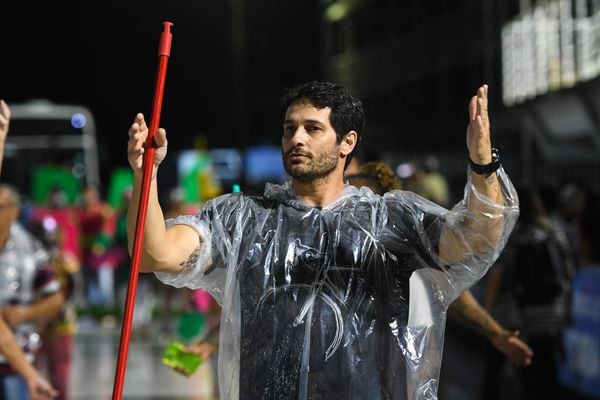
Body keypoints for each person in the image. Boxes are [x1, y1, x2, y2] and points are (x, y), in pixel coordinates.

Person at [126, 82, 519, 399]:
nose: (296, 138)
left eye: (312, 128)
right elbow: (152, 255)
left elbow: (476, 241)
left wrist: (483, 164)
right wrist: (147, 177)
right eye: (289, 128)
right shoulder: (242, 218)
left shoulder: (390, 221)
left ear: (347, 142)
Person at [346, 161, 533, 367]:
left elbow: (452, 291)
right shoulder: (336, 238)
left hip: (388, 367)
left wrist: (495, 332)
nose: (351, 206)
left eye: (360, 198)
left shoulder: (400, 240)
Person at [483, 185, 573, 400]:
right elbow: (568, 271)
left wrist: (486, 314)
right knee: (548, 375)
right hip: (551, 314)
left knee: (522, 376)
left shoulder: (512, 236)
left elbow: (498, 276)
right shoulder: (554, 232)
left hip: (519, 317)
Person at [0, 184, 64, 400]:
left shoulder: (29, 247)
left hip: (16, 358)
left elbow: (55, 296)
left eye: (1, 207)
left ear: (14, 210)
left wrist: (24, 314)